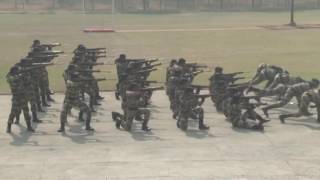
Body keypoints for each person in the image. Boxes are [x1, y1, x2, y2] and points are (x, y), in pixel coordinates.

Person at [58, 65, 94, 133]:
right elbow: (70, 83)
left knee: (88, 111)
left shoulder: (79, 82)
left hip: (76, 100)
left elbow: (86, 86)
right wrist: (79, 83)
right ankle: (62, 127)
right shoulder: (69, 82)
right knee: (63, 113)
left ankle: (87, 126)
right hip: (68, 100)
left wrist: (86, 82)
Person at [6, 66, 34, 133]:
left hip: (23, 96)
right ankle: (8, 126)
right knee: (13, 113)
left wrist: (26, 74)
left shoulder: (20, 76)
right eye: (17, 70)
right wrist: (21, 74)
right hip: (16, 97)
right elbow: (13, 79)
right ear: (13, 71)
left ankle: (29, 126)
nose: (18, 71)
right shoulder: (9, 77)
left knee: (26, 112)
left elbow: (28, 82)